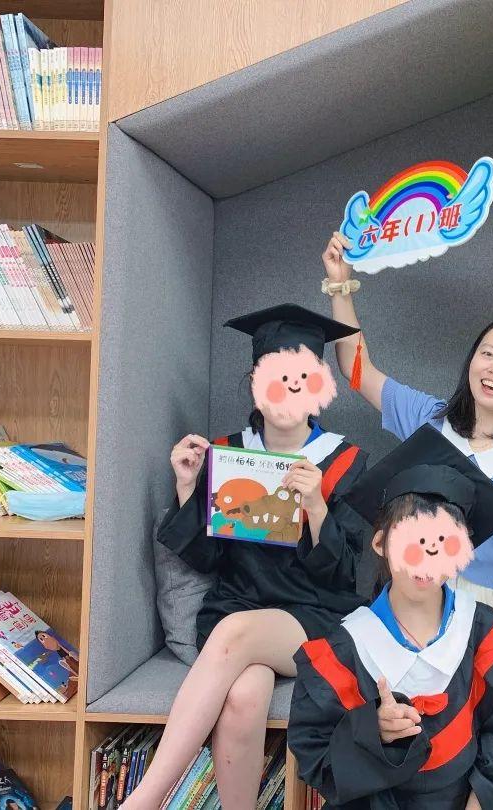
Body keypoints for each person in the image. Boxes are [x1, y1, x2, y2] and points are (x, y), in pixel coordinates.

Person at [320, 231, 493, 807]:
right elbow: (357, 369)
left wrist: (492, 630)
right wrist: (340, 285)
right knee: (393, 719)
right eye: (487, 354)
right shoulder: (428, 419)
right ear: (471, 360)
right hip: (415, 598)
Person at [124, 304, 370, 810]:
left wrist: (317, 505)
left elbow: (347, 574)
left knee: (235, 634)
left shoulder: (346, 460)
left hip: (313, 612)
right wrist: (189, 487)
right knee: (244, 694)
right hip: (237, 603)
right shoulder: (227, 453)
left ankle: (144, 800)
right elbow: (207, 560)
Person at [289, 424, 493, 809]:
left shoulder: (484, 634)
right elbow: (316, 757)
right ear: (380, 543)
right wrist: (373, 731)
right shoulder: (344, 648)